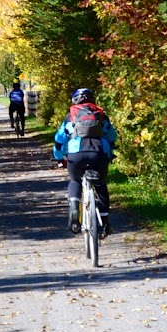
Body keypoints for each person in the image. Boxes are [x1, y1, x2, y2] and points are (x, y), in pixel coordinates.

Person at [53, 88, 117, 236]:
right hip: (99, 152)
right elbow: (112, 136)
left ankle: (75, 205)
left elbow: (59, 140)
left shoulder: (70, 117)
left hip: (76, 153)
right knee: (101, 185)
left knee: (75, 180)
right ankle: (105, 220)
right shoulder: (101, 115)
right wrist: (110, 151)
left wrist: (59, 156)